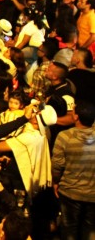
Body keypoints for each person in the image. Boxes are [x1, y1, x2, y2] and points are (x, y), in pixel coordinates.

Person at [51, 100, 95, 240]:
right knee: (90, 229)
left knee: (69, 229)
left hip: (69, 192)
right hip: (93, 194)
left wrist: (55, 182)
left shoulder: (64, 137)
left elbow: (57, 165)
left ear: (76, 117)